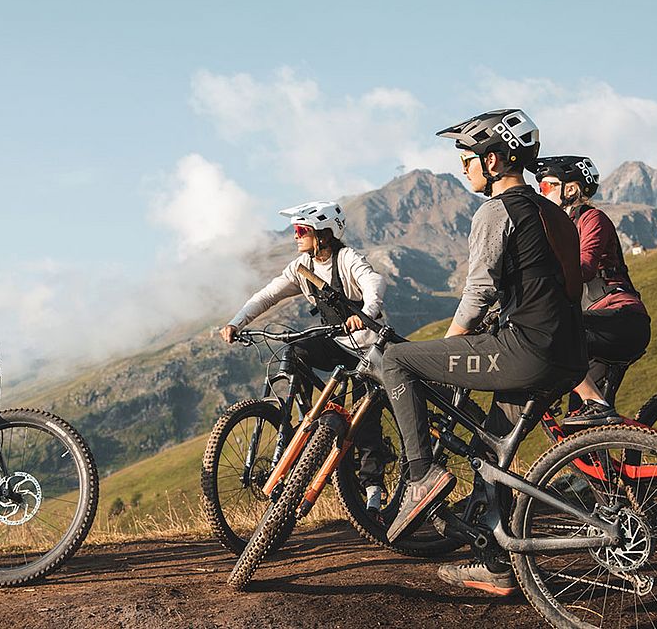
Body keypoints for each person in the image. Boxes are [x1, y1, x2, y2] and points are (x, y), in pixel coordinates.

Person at [381, 110, 587, 596]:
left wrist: (449, 351)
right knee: (489, 448)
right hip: (569, 355)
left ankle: (420, 476)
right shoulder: (553, 211)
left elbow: (478, 293)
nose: (463, 168)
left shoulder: (496, 212)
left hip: (527, 352)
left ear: (492, 160)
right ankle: (494, 563)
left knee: (396, 359)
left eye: (467, 159)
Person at [219, 201, 392, 514]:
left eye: (301, 230)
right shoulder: (302, 267)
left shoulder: (347, 258)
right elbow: (268, 295)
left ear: (323, 235)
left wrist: (365, 313)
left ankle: (373, 491)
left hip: (368, 348)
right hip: (338, 344)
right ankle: (308, 416)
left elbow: (374, 281)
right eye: (295, 230)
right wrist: (236, 322)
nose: (295, 236)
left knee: (365, 422)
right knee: (297, 351)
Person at [533, 156, 651, 427]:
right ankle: (606, 469)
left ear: (570, 189)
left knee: (552, 333)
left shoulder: (591, 218)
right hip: (593, 331)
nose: (542, 193)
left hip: (622, 319)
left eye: (546, 187)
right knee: (580, 423)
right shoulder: (558, 229)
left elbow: (584, 267)